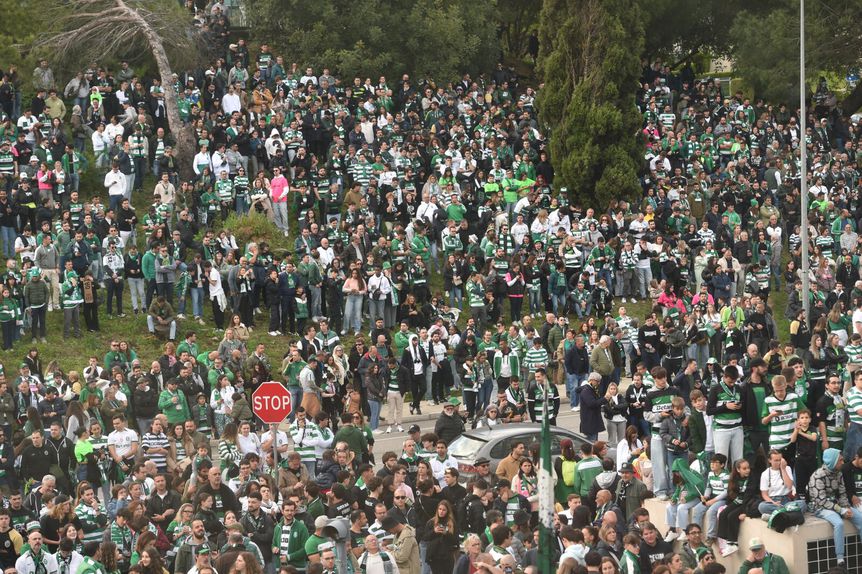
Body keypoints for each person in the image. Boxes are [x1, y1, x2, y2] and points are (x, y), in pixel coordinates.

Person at [808, 448, 862, 567]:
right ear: (833, 461)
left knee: (861, 519)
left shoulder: (839, 473)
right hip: (821, 508)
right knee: (839, 523)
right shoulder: (817, 476)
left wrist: (846, 508)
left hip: (837, 504)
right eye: (840, 460)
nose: (843, 463)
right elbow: (821, 501)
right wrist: (840, 510)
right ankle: (840, 559)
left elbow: (842, 494)